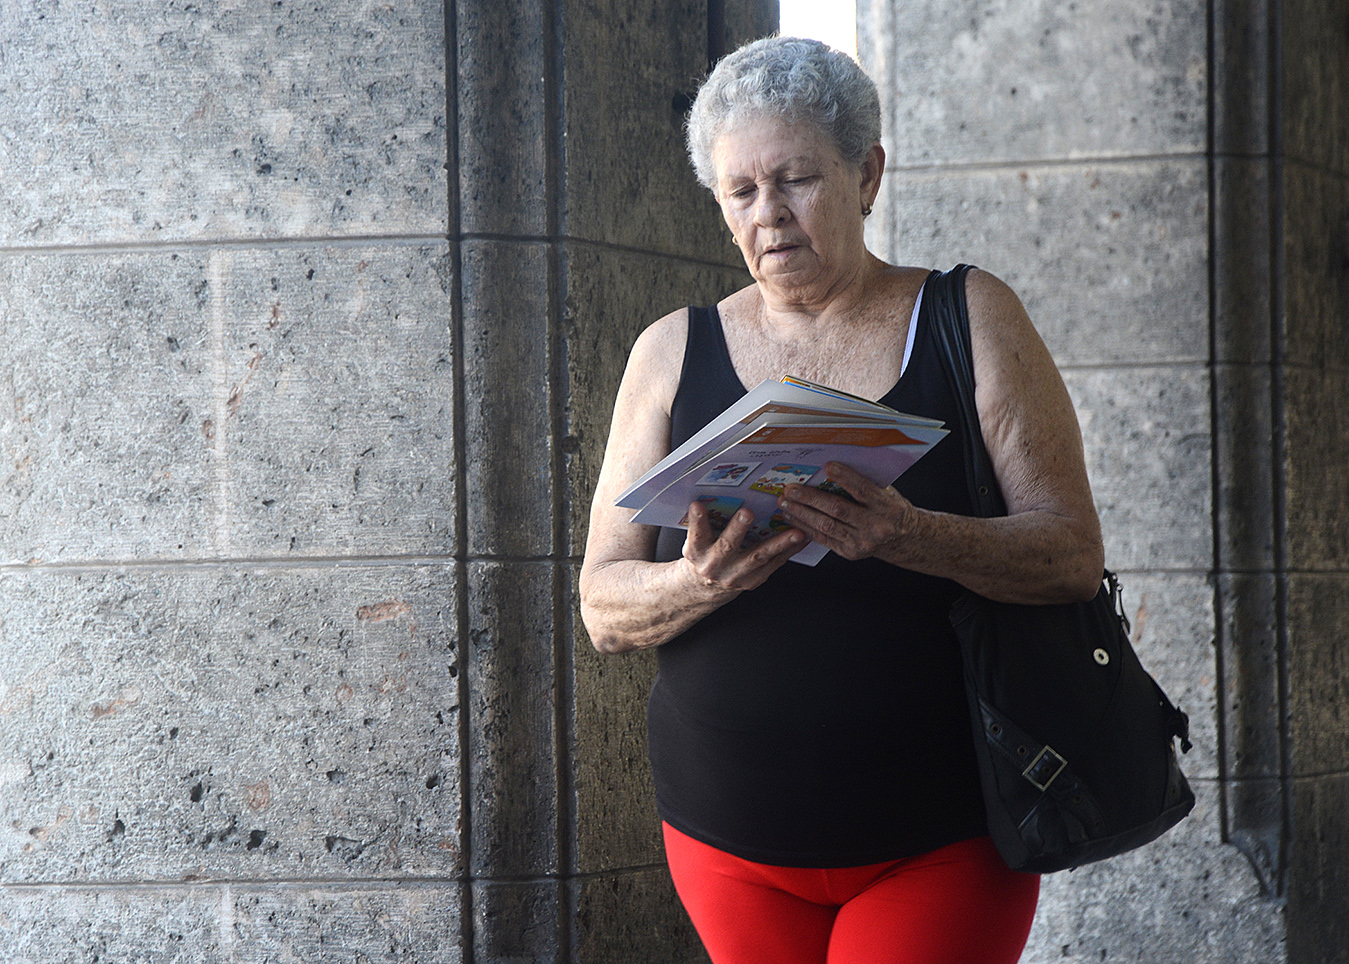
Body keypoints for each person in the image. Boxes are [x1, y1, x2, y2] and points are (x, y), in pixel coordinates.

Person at [578, 36, 1104, 964]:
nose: (768, 215)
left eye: (796, 180)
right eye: (740, 192)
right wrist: (702, 581)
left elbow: (1068, 557)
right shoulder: (668, 350)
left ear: (866, 175)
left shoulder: (968, 316)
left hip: (942, 830)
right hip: (722, 835)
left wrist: (913, 536)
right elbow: (603, 607)